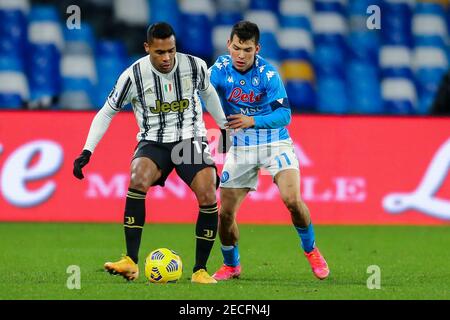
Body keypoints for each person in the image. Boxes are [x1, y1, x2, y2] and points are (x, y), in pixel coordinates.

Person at [73, 22, 228, 284]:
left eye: (171, 50)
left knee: (207, 191)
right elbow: (107, 111)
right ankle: (130, 262)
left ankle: (200, 270)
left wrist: (223, 126)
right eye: (160, 52)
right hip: (153, 141)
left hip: (188, 140)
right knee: (138, 177)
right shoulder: (133, 75)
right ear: (147, 48)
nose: (167, 58)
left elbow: (209, 93)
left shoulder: (195, 66)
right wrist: (87, 150)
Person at [209, 21, 330, 281]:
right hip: (241, 146)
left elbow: (285, 114)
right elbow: (201, 95)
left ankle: (311, 251)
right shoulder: (218, 70)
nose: (241, 55)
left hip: (275, 142)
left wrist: (253, 120)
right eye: (237, 48)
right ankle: (232, 265)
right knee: (225, 214)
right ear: (229, 44)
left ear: (257, 48)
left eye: (248, 50)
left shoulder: (268, 74)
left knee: (292, 201)